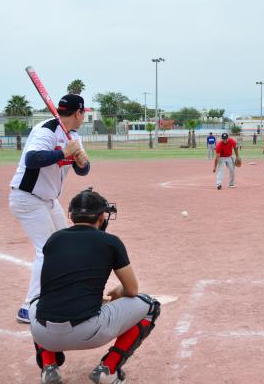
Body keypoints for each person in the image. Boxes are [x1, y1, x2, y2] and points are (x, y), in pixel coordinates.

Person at [29, 188, 160, 384]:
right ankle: (108, 369)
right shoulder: (110, 242)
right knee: (150, 305)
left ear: (71, 215)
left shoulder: (54, 240)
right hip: (88, 332)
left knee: (37, 302)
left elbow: (55, 287)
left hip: (43, 334)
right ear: (101, 217)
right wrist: (116, 293)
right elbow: (131, 290)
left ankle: (49, 368)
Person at [9, 94, 91, 324]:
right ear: (78, 113)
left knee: (66, 245)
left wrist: (81, 161)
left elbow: (83, 171)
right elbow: (32, 158)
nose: (83, 117)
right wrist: (65, 153)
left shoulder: (73, 136)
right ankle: (29, 306)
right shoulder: (45, 130)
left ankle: (62, 295)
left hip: (48, 200)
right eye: (83, 113)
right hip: (27, 197)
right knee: (47, 249)